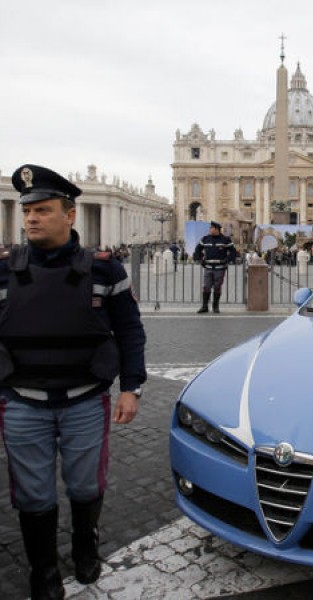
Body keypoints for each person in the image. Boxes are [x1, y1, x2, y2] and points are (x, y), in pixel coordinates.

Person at [0, 164, 147, 599]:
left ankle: (86, 543)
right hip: (22, 398)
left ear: (70, 215)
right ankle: (43, 570)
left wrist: (131, 386)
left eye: (42, 210)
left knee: (85, 484)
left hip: (85, 397)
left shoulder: (105, 270)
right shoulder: (4, 270)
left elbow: (130, 331)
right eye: (28, 210)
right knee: (32, 492)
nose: (31, 218)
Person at [192, 221, 237, 313]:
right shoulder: (205, 239)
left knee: (217, 287)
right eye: (210, 228)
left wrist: (227, 260)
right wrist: (200, 259)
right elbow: (198, 249)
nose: (210, 229)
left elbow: (233, 252)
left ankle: (215, 306)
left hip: (220, 268)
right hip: (208, 267)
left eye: (211, 228)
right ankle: (204, 306)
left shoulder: (225, 240)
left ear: (217, 229)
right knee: (206, 287)